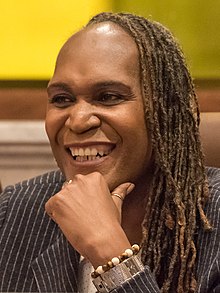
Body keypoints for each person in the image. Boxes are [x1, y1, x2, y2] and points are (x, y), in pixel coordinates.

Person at [0, 11, 219, 293]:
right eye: (62, 99)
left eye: (108, 97)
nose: (78, 120)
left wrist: (111, 255)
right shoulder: (15, 212)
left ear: (167, 111)